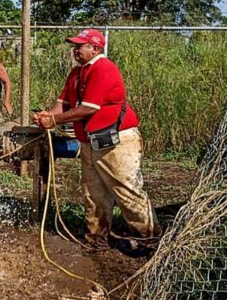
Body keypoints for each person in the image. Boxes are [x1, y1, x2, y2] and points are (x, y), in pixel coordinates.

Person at [33, 28, 160, 249]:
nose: (76, 50)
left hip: (117, 141)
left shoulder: (103, 69)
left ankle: (150, 238)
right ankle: (96, 237)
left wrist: (54, 121)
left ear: (95, 48)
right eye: (75, 46)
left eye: (80, 46)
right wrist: (47, 115)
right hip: (91, 141)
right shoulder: (77, 73)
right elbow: (63, 103)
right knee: (93, 193)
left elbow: (88, 108)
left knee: (126, 189)